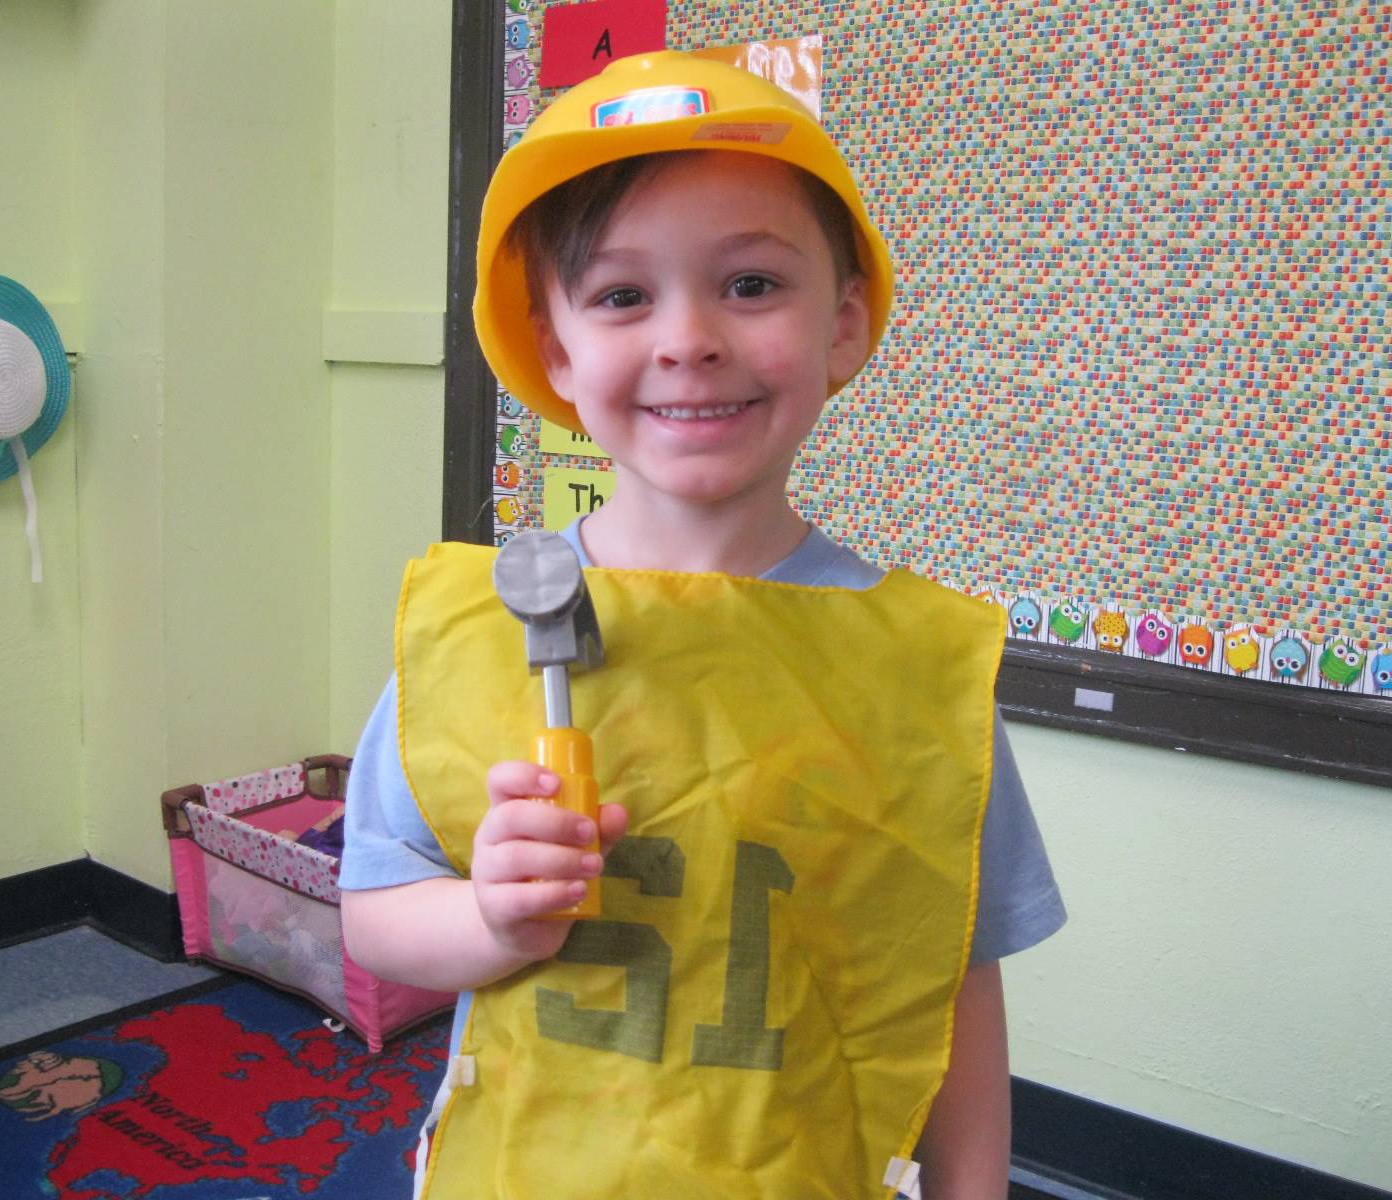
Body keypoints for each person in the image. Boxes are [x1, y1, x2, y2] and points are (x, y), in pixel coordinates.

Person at [340, 51, 1065, 1200]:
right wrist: (489, 919)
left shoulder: (913, 672)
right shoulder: (480, 630)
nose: (688, 339)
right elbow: (376, 914)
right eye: (624, 296)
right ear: (559, 350)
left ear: (843, 325)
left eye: (749, 285)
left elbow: (952, 978)